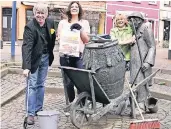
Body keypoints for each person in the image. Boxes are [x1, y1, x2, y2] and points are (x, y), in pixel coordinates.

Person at [22, 3, 56, 125]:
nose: (40, 15)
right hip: (34, 60)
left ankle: (38, 109)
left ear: (46, 14)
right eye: (38, 13)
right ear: (34, 13)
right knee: (32, 85)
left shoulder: (51, 23)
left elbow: (52, 36)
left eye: (42, 13)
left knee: (41, 85)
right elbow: (27, 47)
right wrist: (26, 67)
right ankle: (30, 114)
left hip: (46, 57)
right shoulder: (30, 27)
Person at [57, 1, 90, 103]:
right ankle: (71, 104)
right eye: (72, 7)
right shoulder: (62, 23)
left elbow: (86, 40)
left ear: (79, 9)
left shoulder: (84, 23)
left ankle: (82, 103)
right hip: (65, 55)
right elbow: (59, 38)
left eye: (76, 7)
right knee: (68, 82)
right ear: (69, 9)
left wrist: (80, 30)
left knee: (81, 81)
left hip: (79, 55)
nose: (74, 8)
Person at [127, 12, 156, 111]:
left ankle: (142, 103)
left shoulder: (146, 29)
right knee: (135, 82)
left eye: (133, 20)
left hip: (143, 61)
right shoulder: (133, 30)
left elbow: (152, 46)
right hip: (135, 62)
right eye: (130, 20)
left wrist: (148, 62)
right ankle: (135, 101)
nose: (131, 22)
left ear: (139, 20)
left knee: (142, 82)